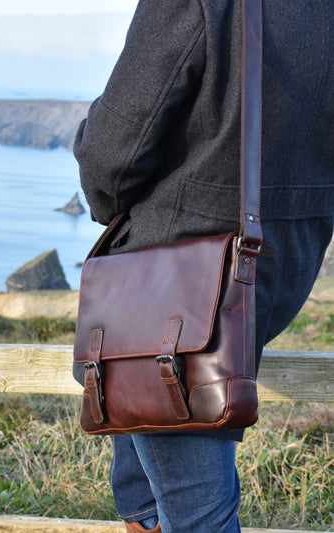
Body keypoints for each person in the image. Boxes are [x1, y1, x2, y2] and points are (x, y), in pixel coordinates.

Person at [73, 1, 334, 531]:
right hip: (284, 261)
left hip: (183, 286)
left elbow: (113, 152)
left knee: (197, 518)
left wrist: (107, 205)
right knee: (143, 498)